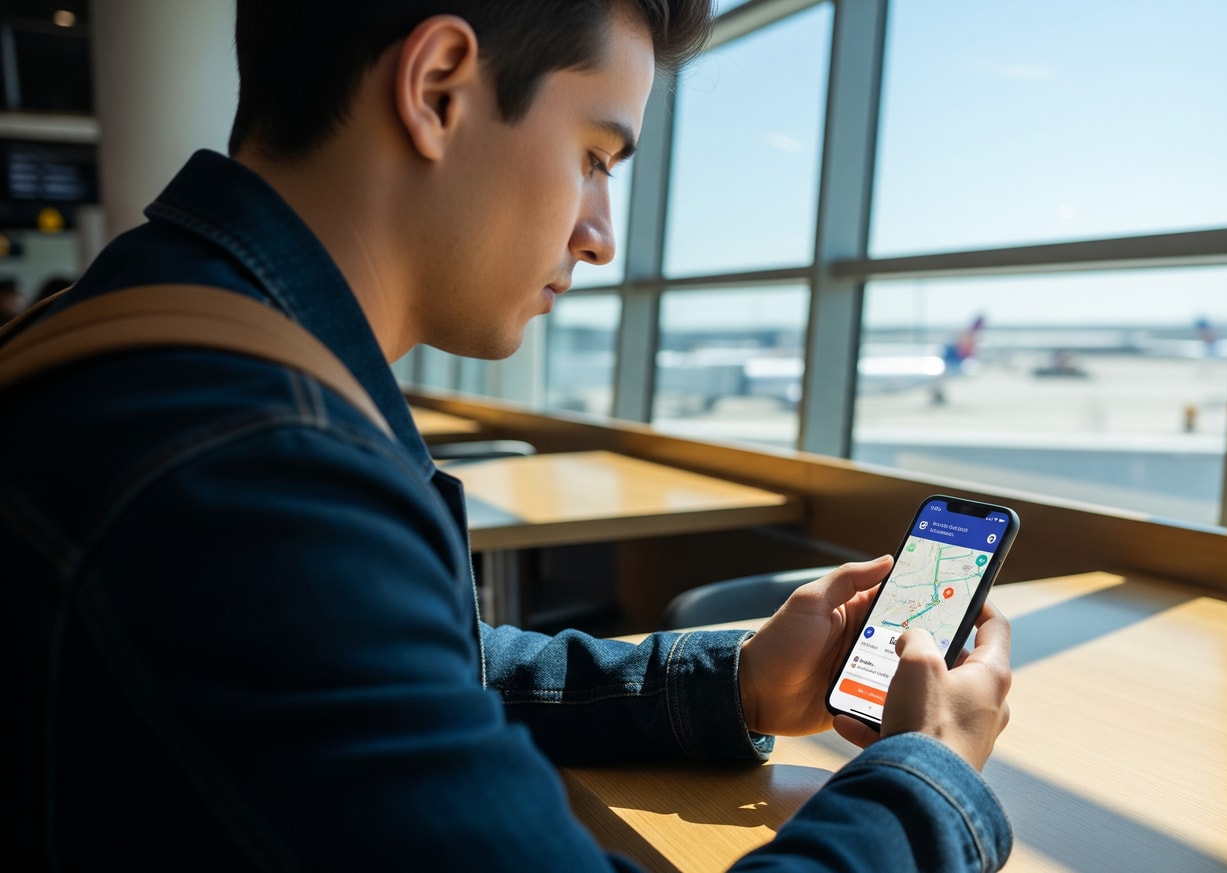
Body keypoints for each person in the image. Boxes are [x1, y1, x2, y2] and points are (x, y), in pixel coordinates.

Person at [1, 1, 1014, 869]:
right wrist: (929, 779)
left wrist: (732, 680)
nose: (601, 236)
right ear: (438, 87)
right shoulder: (254, 478)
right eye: (592, 157)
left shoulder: (145, 330)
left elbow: (417, 669)